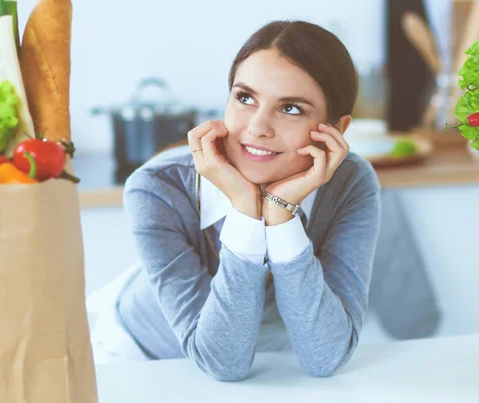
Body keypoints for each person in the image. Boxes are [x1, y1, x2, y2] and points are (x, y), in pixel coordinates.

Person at [90, 20, 381, 381]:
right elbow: (221, 362)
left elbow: (325, 357)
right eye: (245, 98)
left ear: (336, 130)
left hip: (269, 362)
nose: (258, 127)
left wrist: (280, 215)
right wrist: (246, 211)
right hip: (145, 360)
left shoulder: (350, 183)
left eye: (291, 108)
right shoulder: (157, 187)